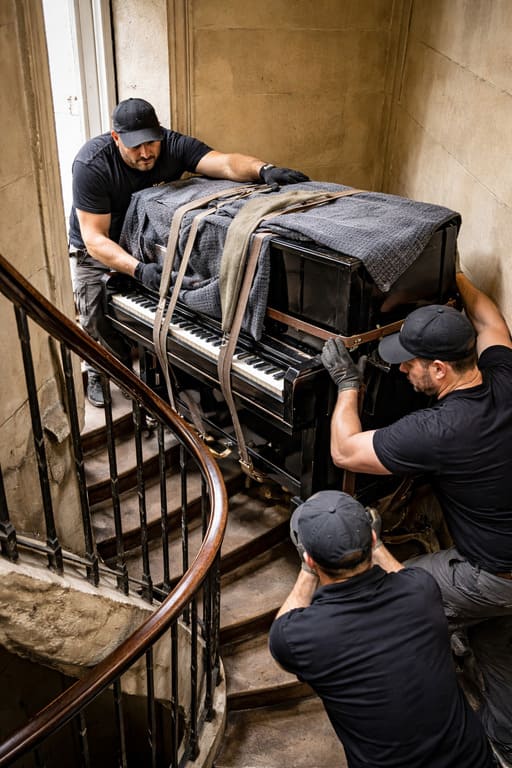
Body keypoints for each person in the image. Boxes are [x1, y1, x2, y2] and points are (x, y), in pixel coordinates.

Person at [320, 268, 512, 766]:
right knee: (497, 641)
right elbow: (489, 316)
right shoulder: (505, 378)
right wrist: (457, 273)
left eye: (411, 364)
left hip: (494, 575)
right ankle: (506, 743)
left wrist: (347, 385)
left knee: (394, 589)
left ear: (441, 370)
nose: (403, 371)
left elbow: (345, 451)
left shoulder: (439, 429)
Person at [68, 97, 309, 406]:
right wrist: (139, 270)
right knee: (96, 317)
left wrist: (263, 169)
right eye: (134, 147)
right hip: (98, 252)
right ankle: (98, 369)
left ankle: (157, 383)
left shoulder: (172, 145)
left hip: (142, 244)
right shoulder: (91, 166)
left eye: (151, 143)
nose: (145, 153)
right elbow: (94, 239)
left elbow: (222, 163)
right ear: (116, 138)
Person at [269, 490, 495, 767]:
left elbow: (283, 623)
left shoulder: (298, 638)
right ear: (374, 537)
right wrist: (376, 545)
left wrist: (307, 570)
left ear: (312, 559)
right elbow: (402, 574)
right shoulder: (422, 592)